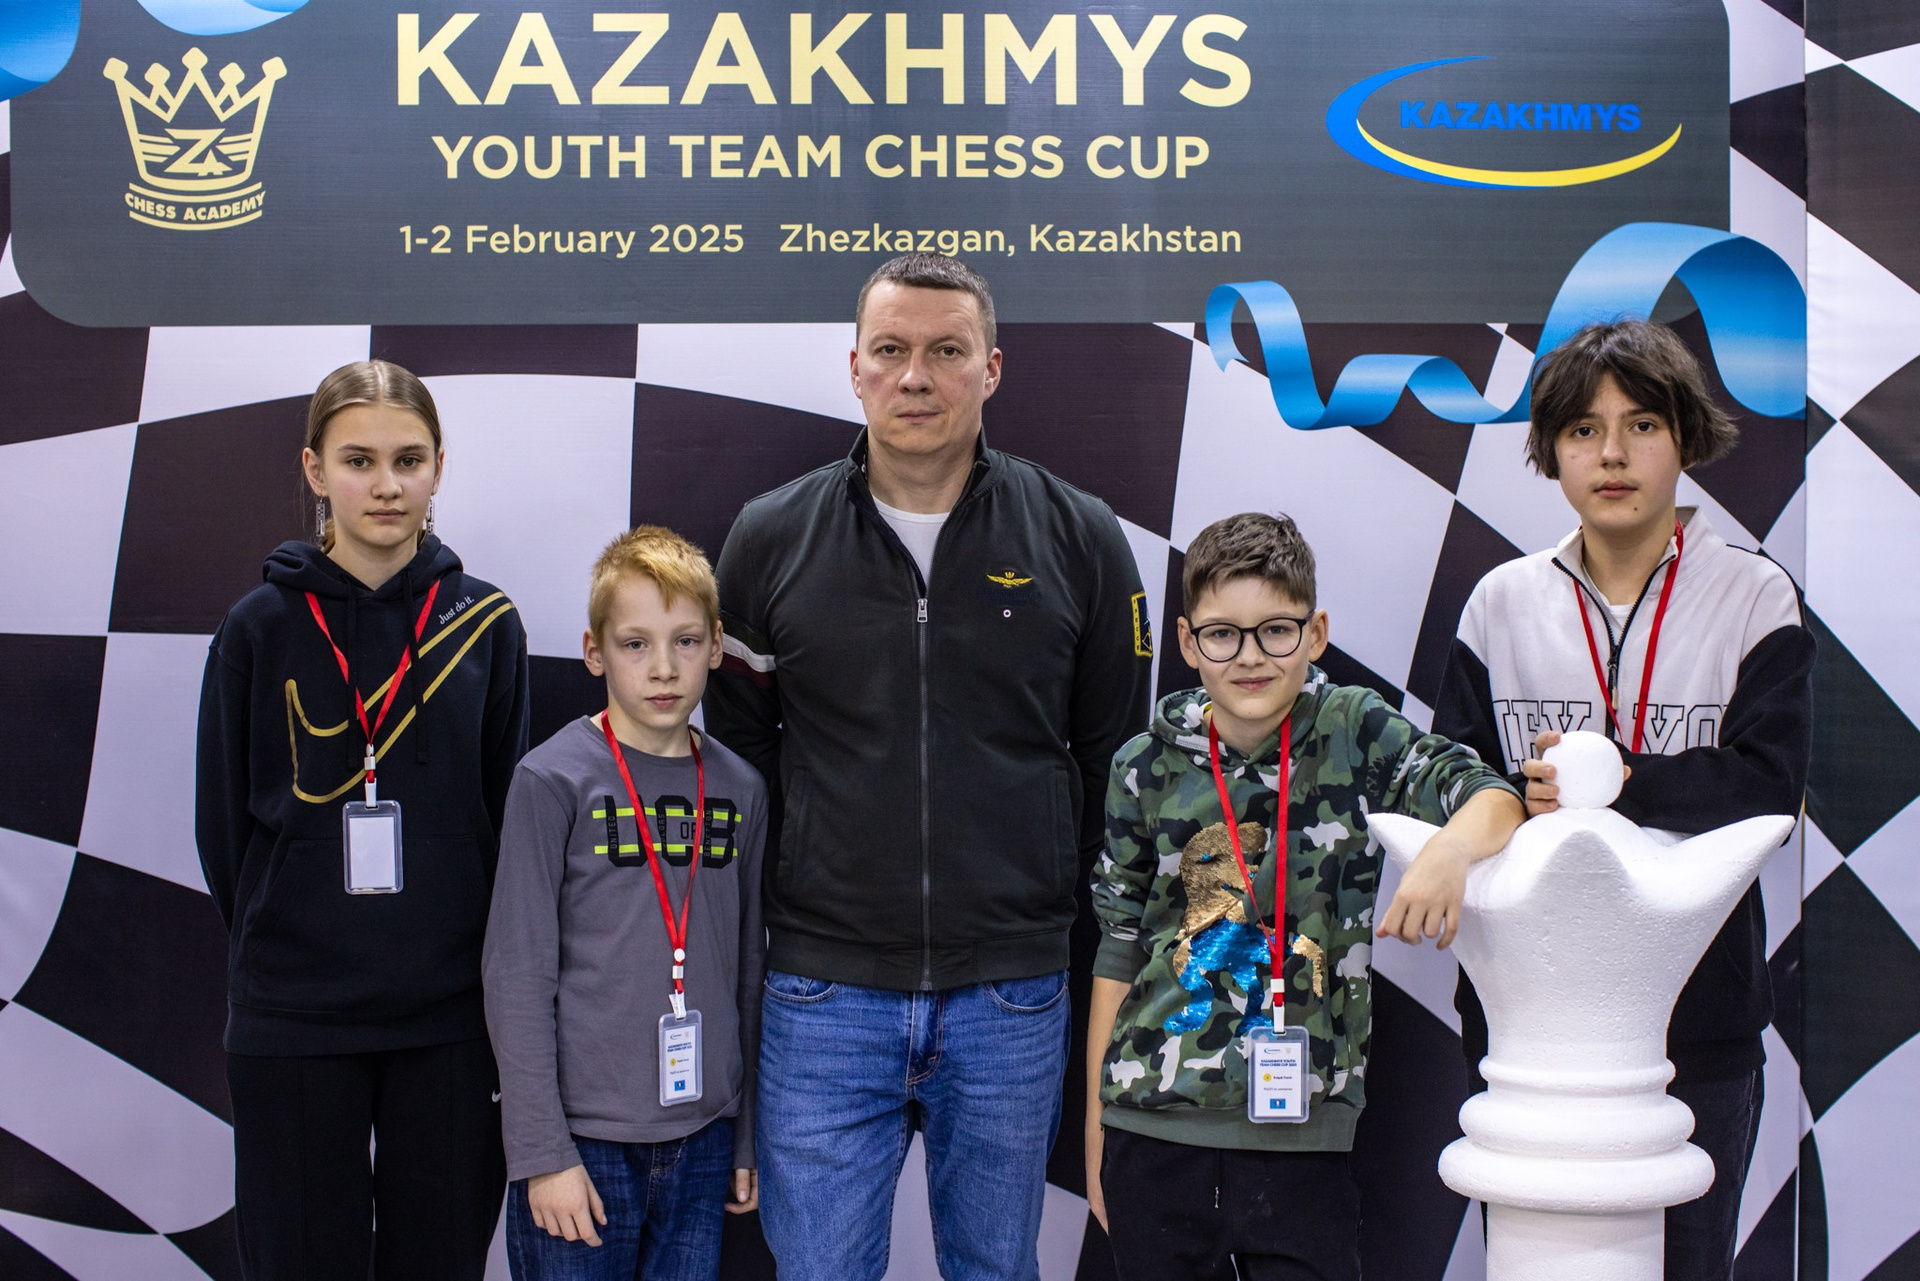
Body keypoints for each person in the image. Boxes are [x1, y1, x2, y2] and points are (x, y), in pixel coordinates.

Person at [703, 252, 1153, 1280]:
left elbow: (1111, 763)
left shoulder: (1080, 537)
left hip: (1012, 995)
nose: (916, 376)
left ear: (991, 368)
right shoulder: (769, 538)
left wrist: (1046, 917)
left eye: (947, 351)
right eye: (892, 350)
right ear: (854, 367)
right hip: (821, 993)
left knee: (998, 1268)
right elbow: (740, 757)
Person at [1432, 319, 1814, 1280]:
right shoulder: (1501, 601)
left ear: (1685, 437)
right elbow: (1450, 779)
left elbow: (1770, 787)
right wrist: (1507, 802)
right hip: (1524, 1018)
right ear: (1551, 450)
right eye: (1582, 429)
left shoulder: (1753, 594)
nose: (1611, 453)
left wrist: (1623, 779)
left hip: (1698, 1016)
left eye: (1641, 424)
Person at [1085, 510, 1525, 1281]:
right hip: (1152, 1130)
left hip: (1304, 1140)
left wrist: (1449, 850)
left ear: (1316, 632)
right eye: (1223, 634)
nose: (1250, 656)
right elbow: (1119, 948)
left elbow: (1491, 795)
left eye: (1276, 630)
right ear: (1188, 641)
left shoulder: (1355, 731)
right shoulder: (1142, 765)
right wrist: (1098, 1125)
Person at [195, 360, 530, 1279]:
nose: (386, 485)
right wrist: (290, 931)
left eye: (408, 459)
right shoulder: (257, 626)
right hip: (295, 1016)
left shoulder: (486, 623)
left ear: (438, 468)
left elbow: (504, 821)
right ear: (315, 469)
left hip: (450, 1017)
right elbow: (225, 831)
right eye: (359, 460)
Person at [483, 525, 767, 1281]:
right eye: (636, 644)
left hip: (704, 1135)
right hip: (582, 1145)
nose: (663, 667)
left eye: (685, 641)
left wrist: (744, 1135)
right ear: (594, 652)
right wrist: (542, 1152)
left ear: (716, 647)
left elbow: (748, 973)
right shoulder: (552, 780)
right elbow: (516, 974)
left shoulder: (740, 788)